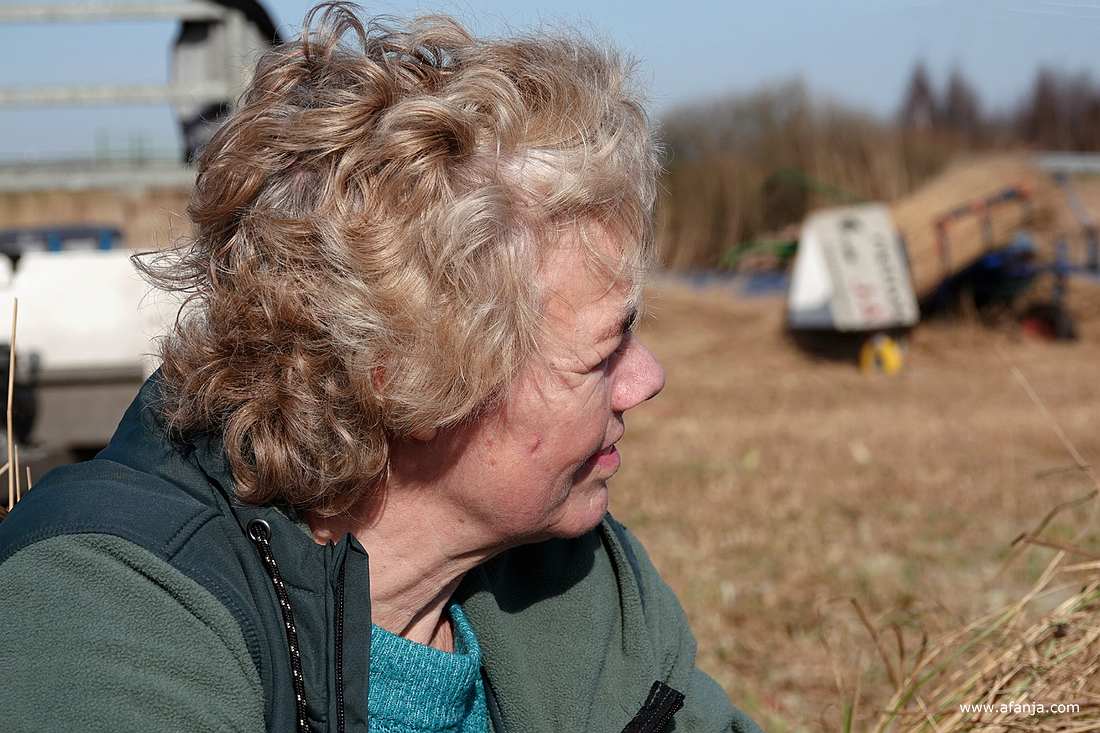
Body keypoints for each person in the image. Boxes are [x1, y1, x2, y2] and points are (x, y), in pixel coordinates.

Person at [0, 3, 763, 732]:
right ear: (410, 377)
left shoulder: (581, 584)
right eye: (604, 353)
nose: (647, 378)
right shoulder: (107, 616)